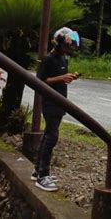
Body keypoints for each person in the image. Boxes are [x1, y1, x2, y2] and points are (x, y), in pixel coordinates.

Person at [32, 26, 80, 192]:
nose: (68, 49)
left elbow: (58, 80)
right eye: (66, 46)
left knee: (47, 136)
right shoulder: (48, 59)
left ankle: (37, 170)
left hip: (61, 102)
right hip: (50, 103)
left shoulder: (63, 59)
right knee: (52, 137)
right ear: (58, 43)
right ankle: (42, 176)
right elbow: (41, 81)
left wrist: (67, 78)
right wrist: (61, 77)